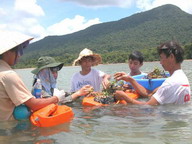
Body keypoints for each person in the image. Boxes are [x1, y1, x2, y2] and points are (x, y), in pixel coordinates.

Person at [0, 31, 92, 121]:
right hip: (9, 127)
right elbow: (36, 104)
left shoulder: (50, 87)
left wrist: (80, 92)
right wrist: (72, 95)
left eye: (57, 71)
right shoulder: (10, 76)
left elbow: (64, 95)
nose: (20, 55)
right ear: (8, 51)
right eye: (19, 50)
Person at [114, 41, 191, 105]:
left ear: (171, 57)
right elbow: (149, 94)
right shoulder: (182, 77)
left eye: (161, 58)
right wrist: (131, 80)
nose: (160, 62)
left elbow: (148, 107)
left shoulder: (170, 83)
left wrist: (125, 97)